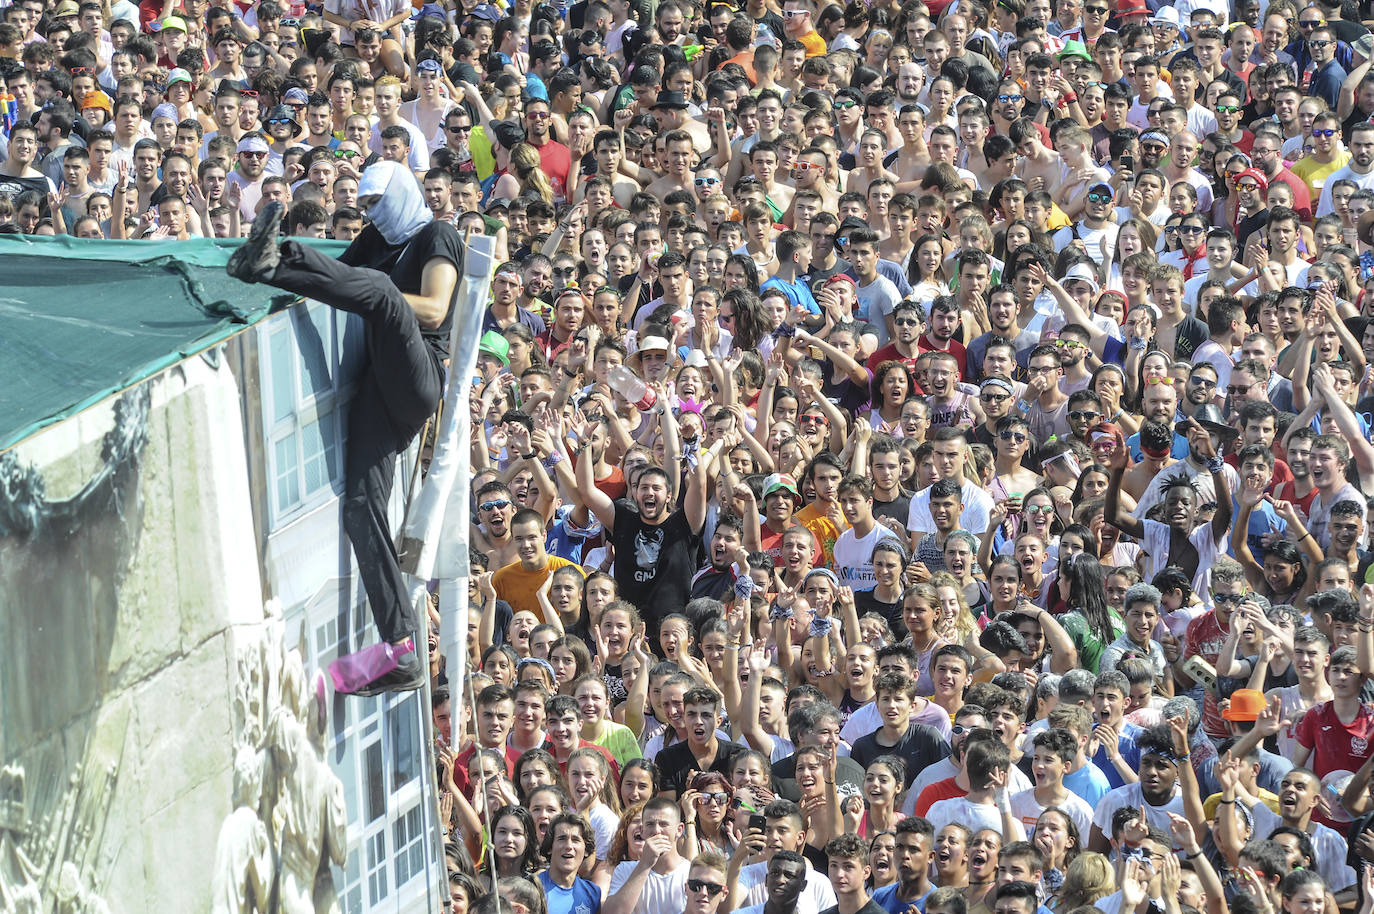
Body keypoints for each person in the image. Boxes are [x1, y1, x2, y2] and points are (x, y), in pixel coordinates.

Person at [227, 163, 461, 696]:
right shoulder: (377, 239)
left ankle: (270, 260)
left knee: (378, 293)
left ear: (404, 192)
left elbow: (433, 309)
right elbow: (333, 277)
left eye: (380, 199)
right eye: (366, 202)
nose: (373, 211)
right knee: (360, 505)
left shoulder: (435, 235)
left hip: (418, 373)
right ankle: (401, 649)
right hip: (379, 387)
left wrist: (294, 261)